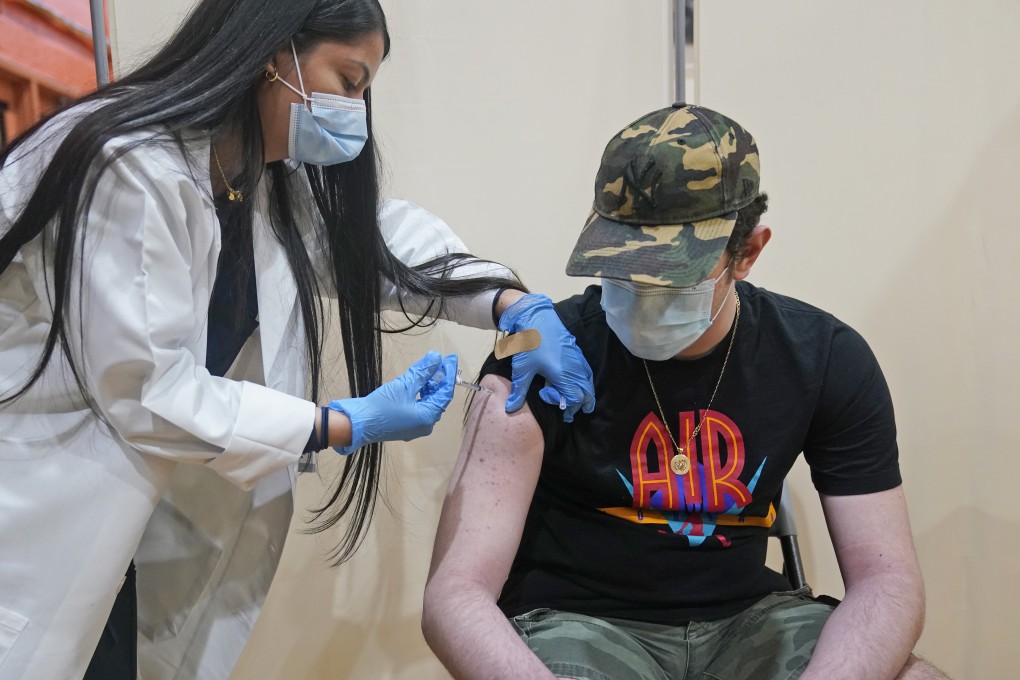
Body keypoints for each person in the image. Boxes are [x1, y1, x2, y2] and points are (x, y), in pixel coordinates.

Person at [0, 1, 596, 679]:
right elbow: (147, 392)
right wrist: (342, 423)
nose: (355, 110)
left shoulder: (251, 182)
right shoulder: (132, 168)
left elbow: (376, 243)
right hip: (33, 524)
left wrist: (510, 302)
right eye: (348, 80)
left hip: (129, 537)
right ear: (273, 53)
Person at [422, 103, 951, 679]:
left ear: (746, 254)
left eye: (674, 274)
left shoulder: (822, 357)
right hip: (579, 625)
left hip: (749, 622)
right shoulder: (538, 355)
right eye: (623, 270)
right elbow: (455, 596)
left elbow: (887, 579)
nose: (643, 294)